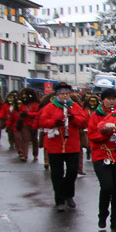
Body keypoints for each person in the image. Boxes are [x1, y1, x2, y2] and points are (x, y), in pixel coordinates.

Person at [36, 83, 90, 212]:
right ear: (57, 95)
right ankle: (59, 199)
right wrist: (55, 122)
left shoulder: (75, 106)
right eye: (61, 94)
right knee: (57, 174)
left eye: (66, 94)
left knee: (72, 172)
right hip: (55, 146)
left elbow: (83, 121)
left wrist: (72, 118)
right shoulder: (50, 107)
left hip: (72, 145)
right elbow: (41, 121)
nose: (64, 96)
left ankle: (69, 195)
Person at [89, 88, 116, 230]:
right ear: (103, 99)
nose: (112, 101)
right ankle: (102, 214)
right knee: (106, 186)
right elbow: (92, 136)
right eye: (109, 98)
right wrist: (106, 133)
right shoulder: (96, 115)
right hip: (102, 154)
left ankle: (115, 219)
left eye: (114, 98)